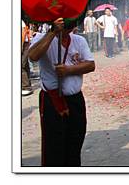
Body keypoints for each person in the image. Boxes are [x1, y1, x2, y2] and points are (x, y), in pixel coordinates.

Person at [27, 17, 95, 166]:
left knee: (75, 140)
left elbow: (90, 65)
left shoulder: (79, 40)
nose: (68, 31)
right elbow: (33, 56)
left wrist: (68, 70)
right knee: (54, 145)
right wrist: (52, 33)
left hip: (75, 99)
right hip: (52, 99)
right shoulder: (40, 38)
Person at [22, 20, 33, 96]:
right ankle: (27, 84)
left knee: (22, 65)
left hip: (24, 44)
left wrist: (21, 45)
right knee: (25, 65)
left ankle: (26, 87)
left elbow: (24, 32)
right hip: (24, 44)